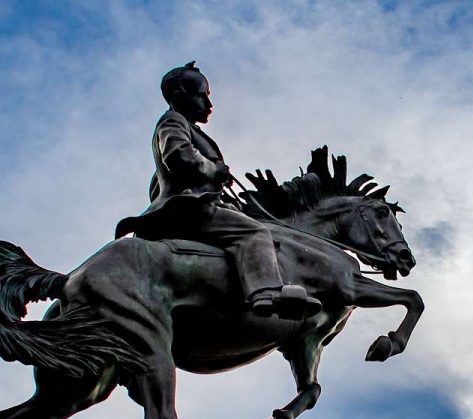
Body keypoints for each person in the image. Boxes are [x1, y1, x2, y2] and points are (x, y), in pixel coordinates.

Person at [116, 62, 320, 320]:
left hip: (194, 205)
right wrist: (214, 170)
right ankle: (266, 293)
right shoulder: (173, 121)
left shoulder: (183, 126)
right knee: (255, 232)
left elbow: (157, 182)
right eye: (202, 95)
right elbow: (179, 157)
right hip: (190, 211)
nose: (208, 104)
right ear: (179, 93)